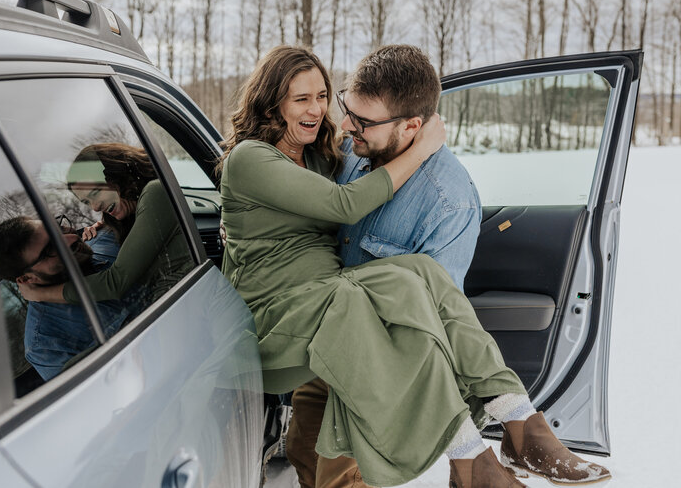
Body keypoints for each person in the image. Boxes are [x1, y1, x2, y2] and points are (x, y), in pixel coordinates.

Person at [219, 45, 610, 487]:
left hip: (342, 323)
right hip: (286, 317)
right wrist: (420, 150)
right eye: (302, 99)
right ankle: (471, 460)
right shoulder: (262, 157)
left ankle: (519, 420)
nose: (329, 115)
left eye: (323, 96)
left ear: (409, 125)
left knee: (421, 274)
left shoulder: (344, 162)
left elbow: (431, 321)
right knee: (384, 291)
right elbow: (343, 205)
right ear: (272, 102)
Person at [286, 44, 483, 488]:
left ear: (414, 125)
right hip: (323, 348)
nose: (345, 126)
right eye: (347, 108)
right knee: (302, 454)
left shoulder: (448, 204)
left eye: (364, 121)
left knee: (344, 479)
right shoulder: (355, 149)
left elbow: (431, 316)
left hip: (376, 370)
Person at [17, 143, 193, 308]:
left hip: (190, 301)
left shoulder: (156, 192)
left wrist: (40, 294)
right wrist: (107, 224)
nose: (95, 207)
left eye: (95, 193)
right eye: (87, 202)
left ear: (117, 176)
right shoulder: (135, 212)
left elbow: (115, 282)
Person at [0, 216, 133, 380]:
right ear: (26, 279)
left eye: (59, 228)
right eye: (50, 249)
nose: (72, 238)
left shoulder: (109, 238)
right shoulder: (46, 344)